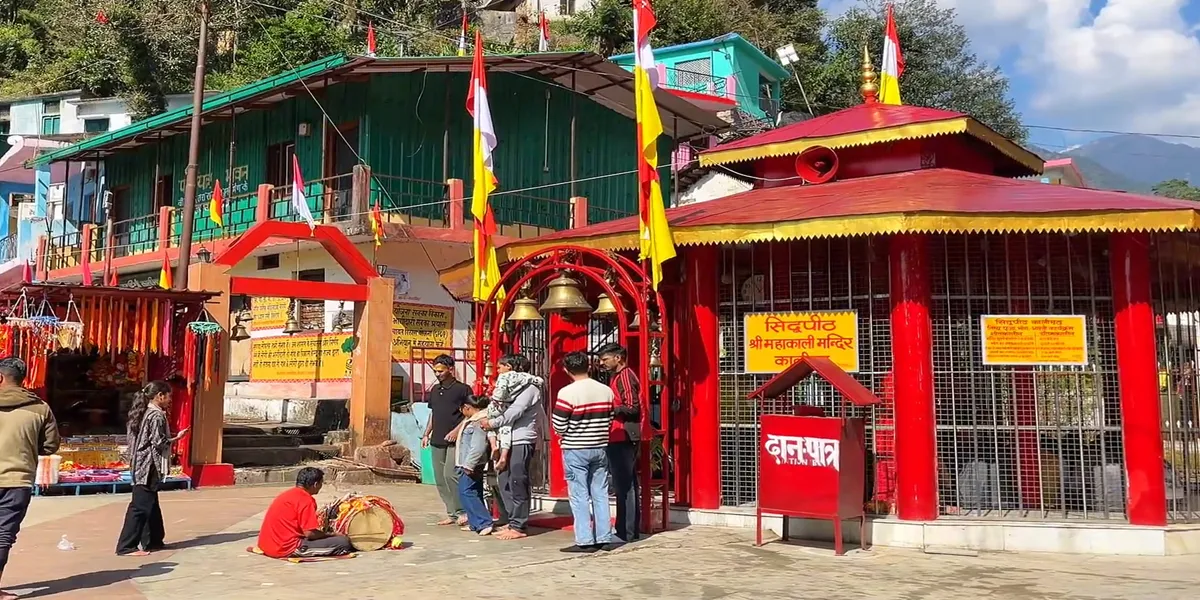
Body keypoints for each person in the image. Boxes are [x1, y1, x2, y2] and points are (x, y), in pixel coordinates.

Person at [0, 357, 59, 599]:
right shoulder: (40, 408)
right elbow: (50, 445)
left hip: (16, 480)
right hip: (17, 479)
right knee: (3, 535)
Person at [551, 351, 615, 553]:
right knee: (600, 493)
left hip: (575, 447)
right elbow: (610, 418)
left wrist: (566, 433)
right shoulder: (606, 390)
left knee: (579, 495)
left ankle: (585, 540)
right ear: (588, 366)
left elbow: (559, 423)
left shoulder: (567, 393)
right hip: (600, 446)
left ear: (566, 370)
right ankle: (604, 537)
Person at [116, 380, 187, 556]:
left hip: (139, 463)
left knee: (151, 503)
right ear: (159, 396)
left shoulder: (141, 413)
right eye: (168, 396)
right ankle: (126, 546)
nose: (170, 400)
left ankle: (153, 541)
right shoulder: (155, 415)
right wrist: (177, 438)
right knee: (140, 506)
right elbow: (158, 442)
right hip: (148, 466)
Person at [481, 353, 543, 540]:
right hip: (504, 437)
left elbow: (516, 411)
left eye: (500, 366)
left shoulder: (530, 387)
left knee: (518, 480)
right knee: (504, 479)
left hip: (521, 438)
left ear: (510, 367)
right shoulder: (507, 387)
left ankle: (519, 524)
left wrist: (493, 422)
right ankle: (512, 517)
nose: (497, 370)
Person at [257, 467, 353, 558]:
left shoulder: (287, 494)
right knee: (343, 542)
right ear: (315, 484)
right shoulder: (306, 500)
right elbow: (309, 533)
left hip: (266, 545)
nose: (321, 486)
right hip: (285, 548)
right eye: (321, 483)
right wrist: (331, 534)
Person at [598, 342, 642, 544]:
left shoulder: (624, 376)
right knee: (627, 484)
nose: (602, 363)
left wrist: (609, 409)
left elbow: (632, 407)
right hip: (622, 434)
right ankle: (628, 530)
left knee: (624, 485)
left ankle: (626, 531)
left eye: (605, 359)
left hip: (623, 434)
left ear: (618, 358)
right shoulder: (619, 376)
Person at [422, 354, 471, 526]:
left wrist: (457, 431)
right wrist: (426, 433)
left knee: (450, 475)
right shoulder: (435, 390)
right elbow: (433, 414)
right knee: (440, 479)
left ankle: (462, 511)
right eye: (435, 371)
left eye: (441, 371)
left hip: (455, 439)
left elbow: (470, 415)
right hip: (437, 438)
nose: (438, 374)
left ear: (450, 369)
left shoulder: (463, 389)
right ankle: (451, 513)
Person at [455, 394, 494, 536]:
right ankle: (475, 523)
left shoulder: (478, 422)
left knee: (466, 492)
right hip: (468, 462)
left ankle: (484, 522)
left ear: (467, 407)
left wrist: (469, 465)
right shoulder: (472, 420)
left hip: (471, 464)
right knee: (475, 491)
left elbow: (478, 446)